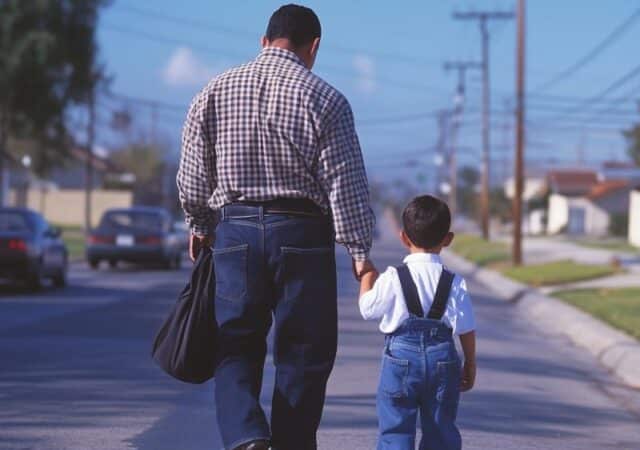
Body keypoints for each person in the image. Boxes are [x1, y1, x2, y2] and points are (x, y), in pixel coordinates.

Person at [176, 4, 375, 450]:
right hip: (303, 235)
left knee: (235, 342)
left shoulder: (214, 90)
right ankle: (292, 443)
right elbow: (345, 184)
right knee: (305, 352)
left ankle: (247, 435)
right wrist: (360, 253)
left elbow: (192, 174)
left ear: (264, 41)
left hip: (236, 231)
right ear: (314, 47)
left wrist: (199, 223)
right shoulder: (327, 99)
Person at [358, 195, 477, 450]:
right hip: (443, 360)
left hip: (400, 359)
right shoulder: (454, 281)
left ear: (403, 237)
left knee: (396, 430)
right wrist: (470, 363)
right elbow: (466, 328)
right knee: (440, 430)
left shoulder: (392, 277)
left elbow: (367, 309)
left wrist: (367, 276)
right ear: (448, 239)